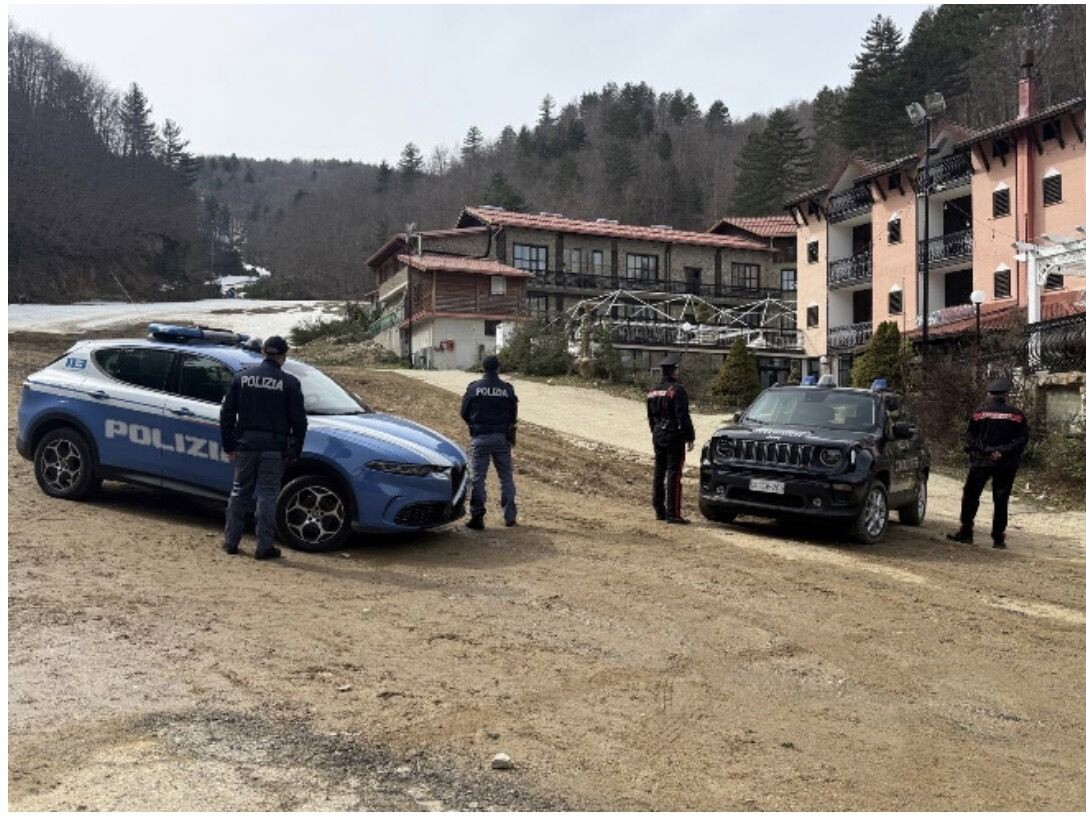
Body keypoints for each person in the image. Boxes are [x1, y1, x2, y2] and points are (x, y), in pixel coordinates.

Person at [220, 335, 307, 559]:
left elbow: (227, 413)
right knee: (267, 496)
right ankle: (264, 547)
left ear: (263, 354)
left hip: (246, 445)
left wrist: (228, 444)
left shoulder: (242, 378)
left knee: (239, 492)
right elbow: (299, 421)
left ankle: (231, 542)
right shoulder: (290, 383)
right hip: (273, 448)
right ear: (284, 357)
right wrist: (296, 449)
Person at [947, 377, 1029, 549]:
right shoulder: (1016, 415)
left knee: (971, 495)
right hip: (1006, 464)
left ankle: (966, 532)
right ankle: (998, 539)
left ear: (989, 394)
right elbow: (1022, 439)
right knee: (1001, 499)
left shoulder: (979, 413)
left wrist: (987, 451)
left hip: (981, 462)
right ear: (1006, 394)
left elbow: (970, 438)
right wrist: (1003, 451)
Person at [460, 355, 518, 530]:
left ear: (483, 368)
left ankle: (477, 517)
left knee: (478, 478)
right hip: (502, 438)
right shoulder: (507, 389)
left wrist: (475, 423)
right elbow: (513, 415)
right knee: (506, 477)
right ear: (498, 368)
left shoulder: (474, 388)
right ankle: (510, 517)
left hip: (480, 437)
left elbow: (464, 412)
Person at [646, 353, 696, 524]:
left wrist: (655, 432)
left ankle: (659, 509)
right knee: (674, 473)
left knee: (659, 472)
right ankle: (672, 513)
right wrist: (689, 437)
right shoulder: (677, 390)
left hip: (658, 434)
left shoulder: (653, 391)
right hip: (674, 434)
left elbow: (650, 417)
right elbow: (682, 416)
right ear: (674, 371)